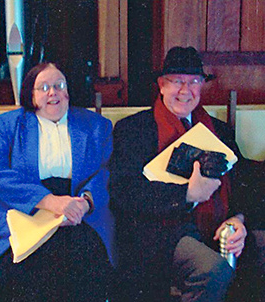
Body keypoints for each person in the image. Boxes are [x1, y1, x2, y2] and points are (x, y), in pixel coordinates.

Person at [109, 46, 265, 302]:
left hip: (218, 225)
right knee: (212, 270)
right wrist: (188, 194)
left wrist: (238, 220)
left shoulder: (220, 131)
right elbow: (124, 193)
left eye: (194, 81)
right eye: (177, 82)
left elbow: (242, 186)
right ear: (161, 85)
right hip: (160, 234)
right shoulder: (134, 129)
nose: (185, 90)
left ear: (202, 85)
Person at [0, 62, 114, 301]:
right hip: (24, 212)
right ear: (31, 94)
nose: (53, 92)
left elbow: (106, 171)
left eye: (59, 85)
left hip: (80, 216)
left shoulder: (95, 126)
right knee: (29, 269)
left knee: (84, 264)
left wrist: (85, 202)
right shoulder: (10, 124)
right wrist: (48, 200)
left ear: (68, 91)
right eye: (43, 87)